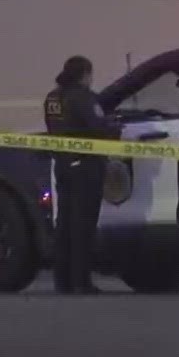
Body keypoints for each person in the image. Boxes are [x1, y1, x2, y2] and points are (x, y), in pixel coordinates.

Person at [42, 55, 116, 294]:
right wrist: (115, 127)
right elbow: (98, 127)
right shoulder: (83, 97)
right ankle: (81, 282)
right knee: (83, 226)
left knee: (63, 225)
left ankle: (62, 281)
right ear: (84, 74)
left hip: (62, 166)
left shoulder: (53, 98)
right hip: (85, 167)